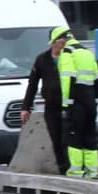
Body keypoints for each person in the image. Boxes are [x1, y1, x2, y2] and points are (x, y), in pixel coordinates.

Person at [19, 26, 71, 174]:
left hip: (69, 105)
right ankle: (63, 168)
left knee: (68, 138)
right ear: (53, 42)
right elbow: (32, 84)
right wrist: (26, 107)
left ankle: (72, 167)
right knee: (56, 138)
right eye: (62, 40)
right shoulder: (42, 59)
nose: (64, 43)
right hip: (52, 105)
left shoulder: (69, 58)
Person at [59, 31, 98, 180]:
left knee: (74, 137)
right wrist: (95, 102)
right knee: (89, 137)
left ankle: (75, 171)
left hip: (76, 103)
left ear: (62, 41)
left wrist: (66, 104)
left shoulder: (68, 52)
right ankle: (92, 171)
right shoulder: (87, 52)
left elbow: (67, 79)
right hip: (90, 103)